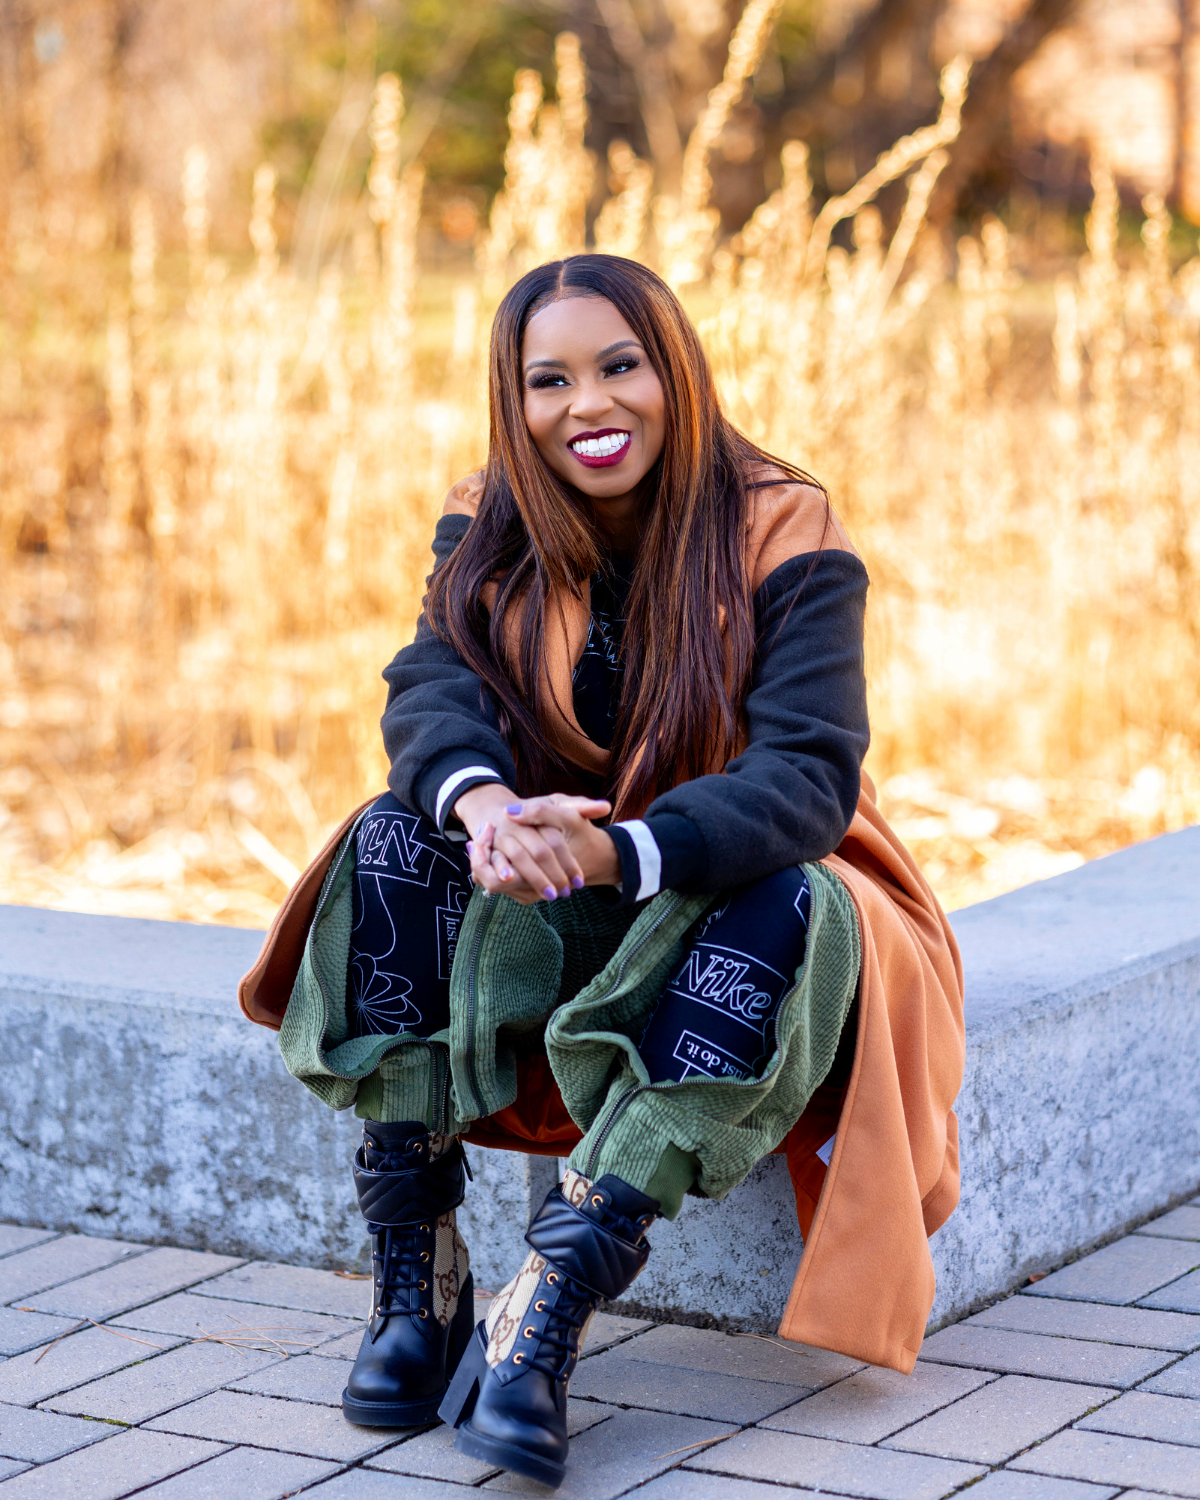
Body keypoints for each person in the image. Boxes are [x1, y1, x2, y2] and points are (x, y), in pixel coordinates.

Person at [240, 253, 964, 1492]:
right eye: (550, 379)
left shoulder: (785, 520)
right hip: (556, 891)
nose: (590, 404)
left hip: (747, 887)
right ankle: (422, 1278)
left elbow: (808, 776)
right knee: (390, 837)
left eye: (620, 365)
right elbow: (432, 690)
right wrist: (486, 809)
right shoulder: (491, 518)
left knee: (795, 898)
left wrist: (622, 848)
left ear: (671, 369)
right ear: (512, 399)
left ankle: (551, 1306)